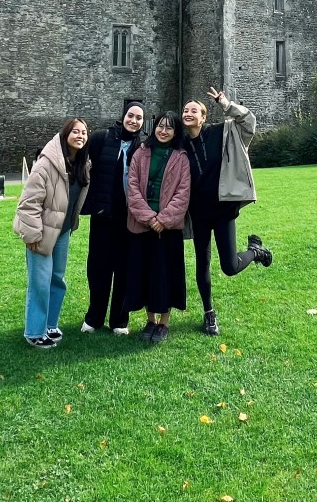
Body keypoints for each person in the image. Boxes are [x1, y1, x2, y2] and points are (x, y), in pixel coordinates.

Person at [182, 86, 272, 337]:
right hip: (197, 214)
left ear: (203, 117)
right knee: (202, 264)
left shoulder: (224, 131)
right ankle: (209, 314)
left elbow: (249, 121)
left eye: (194, 110)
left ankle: (255, 252)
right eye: (185, 110)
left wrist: (225, 103)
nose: (188, 113)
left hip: (222, 210)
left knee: (230, 267)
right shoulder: (181, 144)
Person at [13, 118, 91, 349]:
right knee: (40, 282)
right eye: (75, 132)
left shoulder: (82, 164)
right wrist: (32, 235)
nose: (80, 136)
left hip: (63, 233)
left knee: (57, 280)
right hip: (42, 233)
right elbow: (28, 203)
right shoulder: (46, 164)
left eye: (84, 132)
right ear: (65, 134)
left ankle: (49, 324)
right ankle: (34, 331)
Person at [80, 101, 146, 335]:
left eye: (139, 117)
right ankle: (94, 317)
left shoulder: (144, 147)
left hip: (129, 218)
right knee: (98, 268)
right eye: (131, 115)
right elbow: (81, 162)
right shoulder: (101, 138)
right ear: (123, 116)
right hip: (103, 216)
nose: (134, 121)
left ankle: (119, 320)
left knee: (124, 269)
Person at [125, 110, 191, 344]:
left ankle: (163, 323)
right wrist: (149, 217)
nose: (164, 131)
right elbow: (131, 188)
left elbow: (183, 194)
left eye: (169, 127)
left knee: (166, 275)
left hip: (167, 228)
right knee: (145, 274)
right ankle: (150, 320)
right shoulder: (141, 153)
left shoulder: (181, 157)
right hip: (143, 225)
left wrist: (163, 219)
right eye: (160, 126)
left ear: (176, 132)